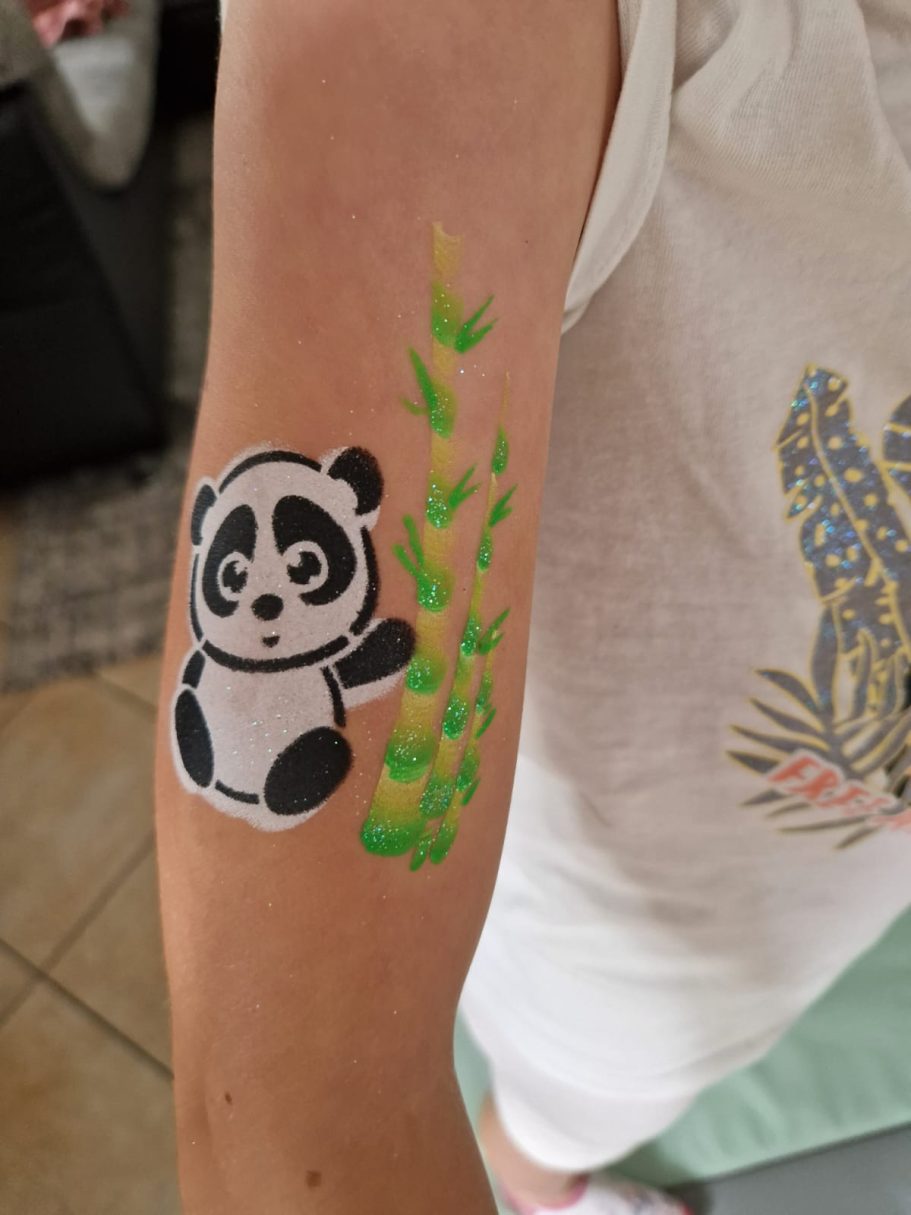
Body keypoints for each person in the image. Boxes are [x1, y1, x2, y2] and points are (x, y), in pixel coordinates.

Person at [154, 1, 911, 1212]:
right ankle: (544, 1185)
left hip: (845, 847)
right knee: (569, 1113)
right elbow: (297, 1121)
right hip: (634, 956)